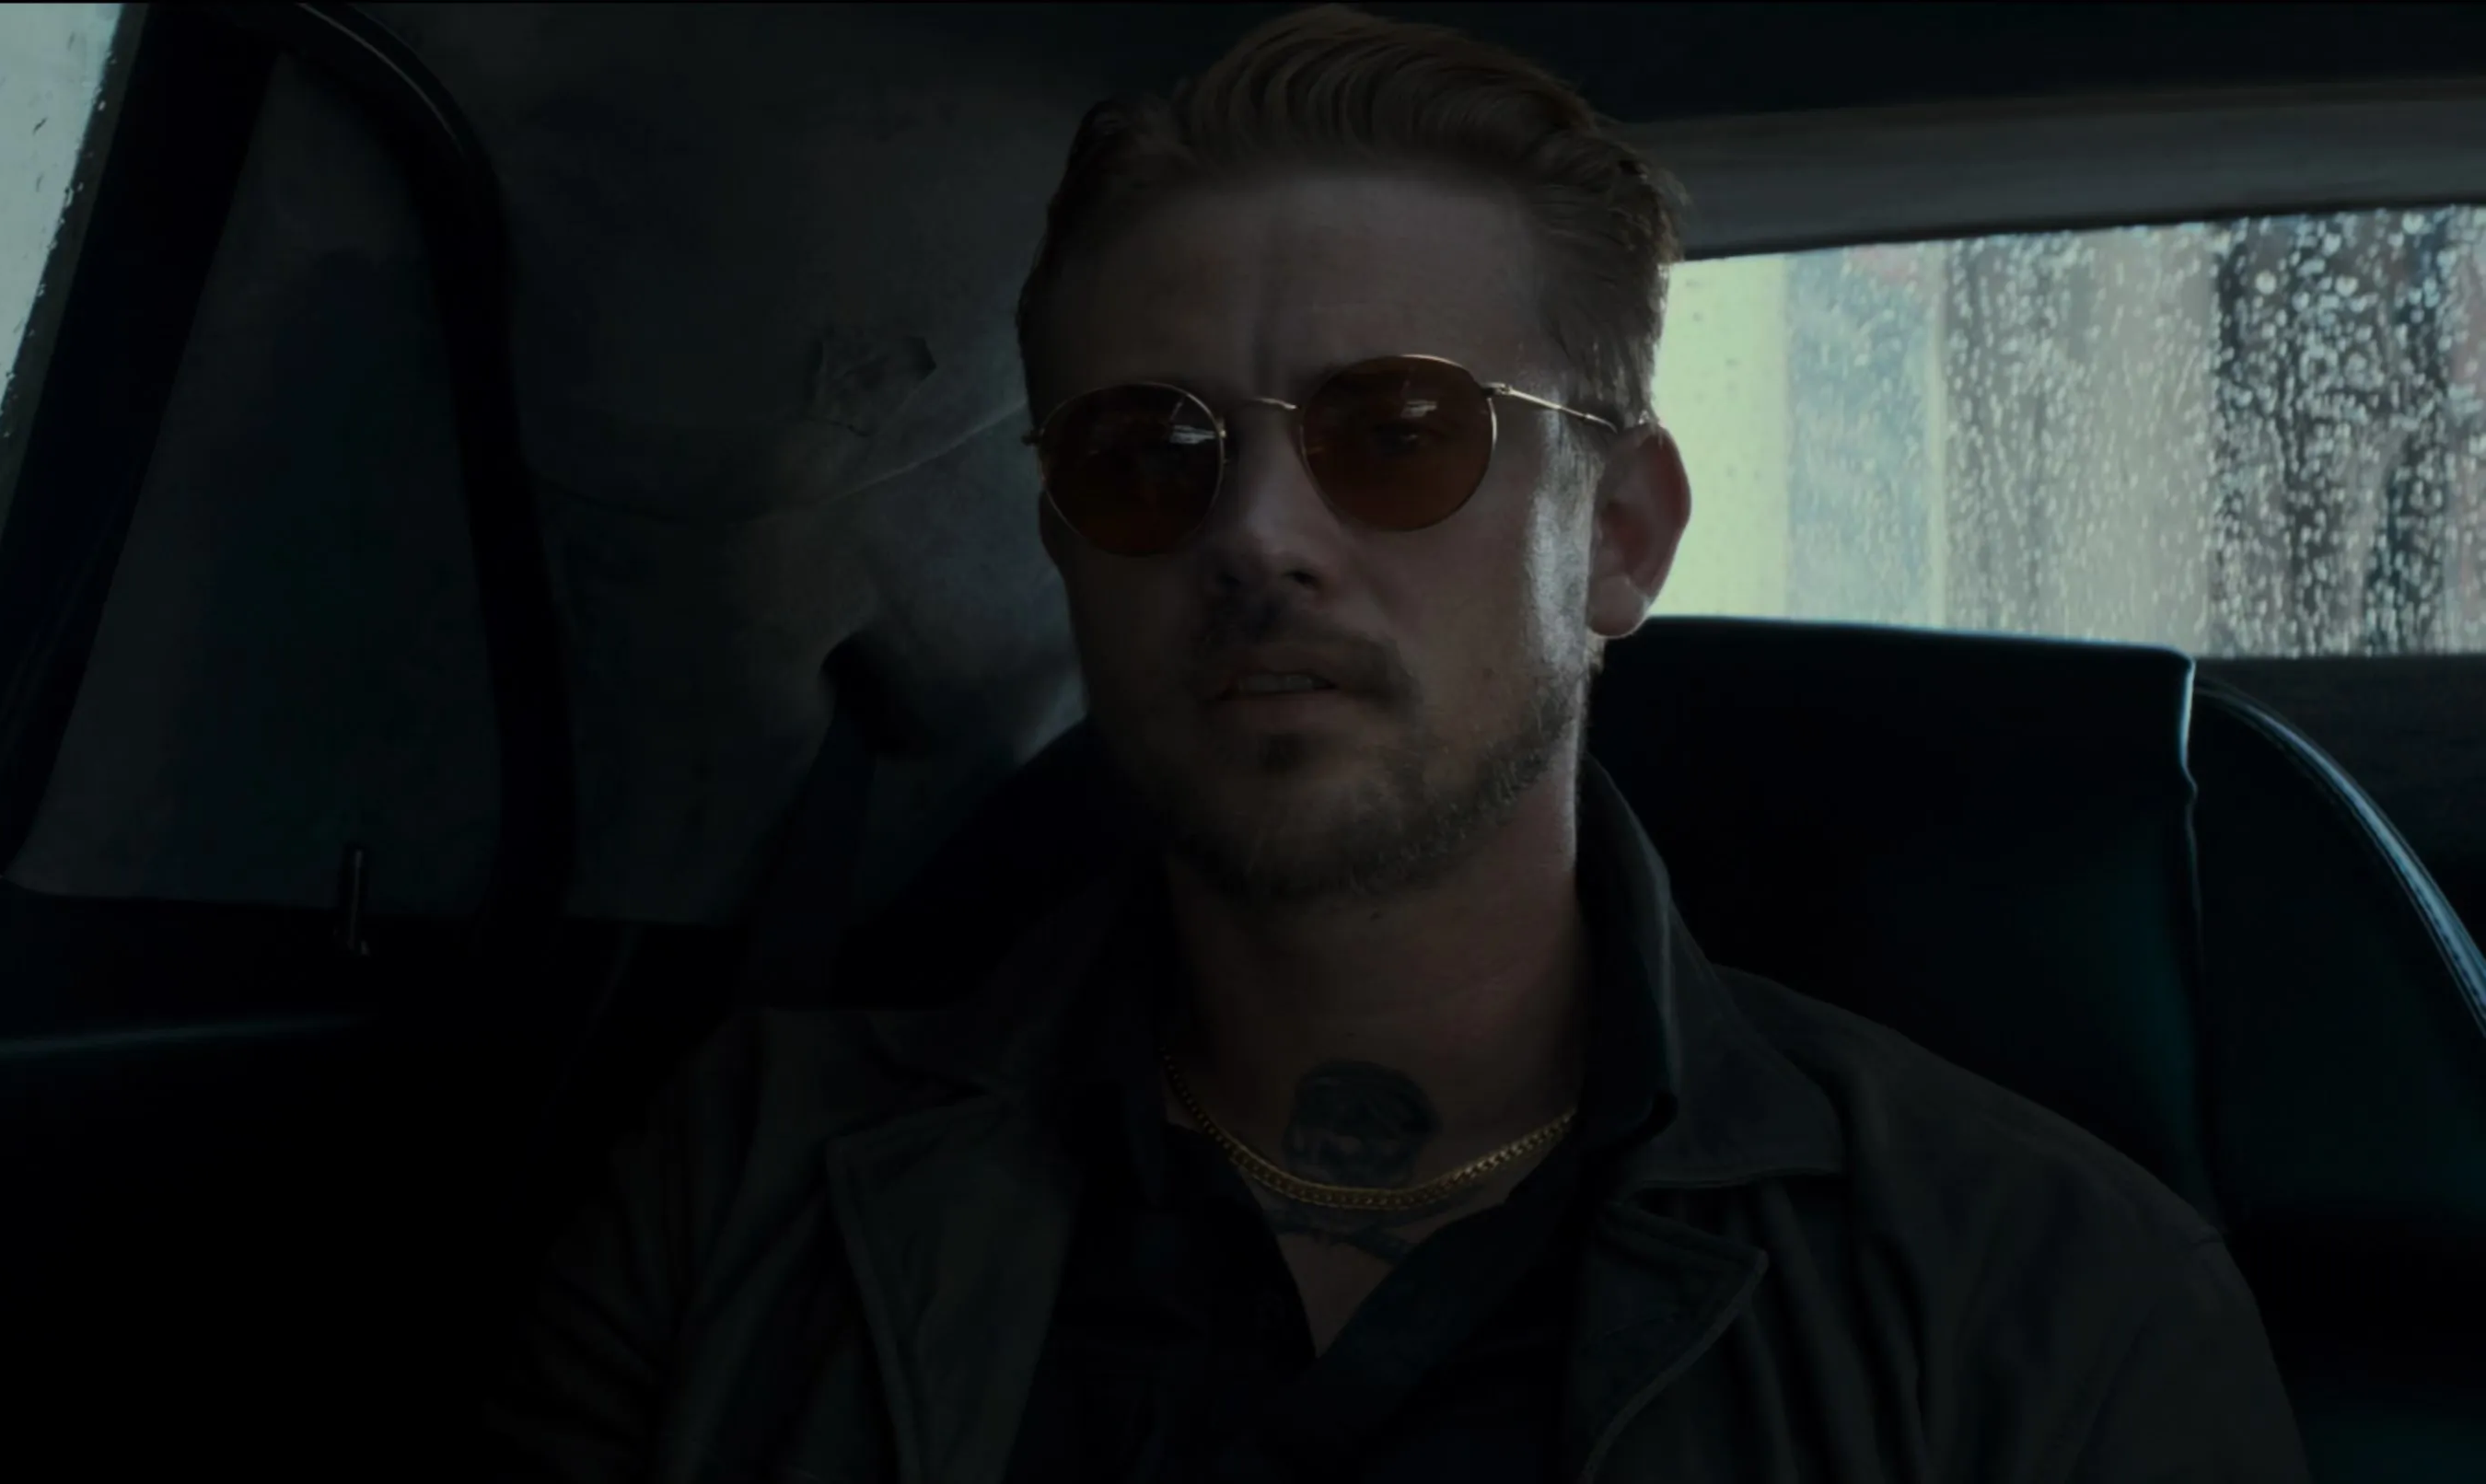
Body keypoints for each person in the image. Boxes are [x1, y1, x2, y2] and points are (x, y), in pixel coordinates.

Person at [485, 6, 2312, 1480]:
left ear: (1618, 533)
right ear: (1068, 553)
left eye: (1396, 432)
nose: (1257, 535)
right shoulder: (743, 1193)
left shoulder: (2044, 1300)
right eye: (1149, 456)